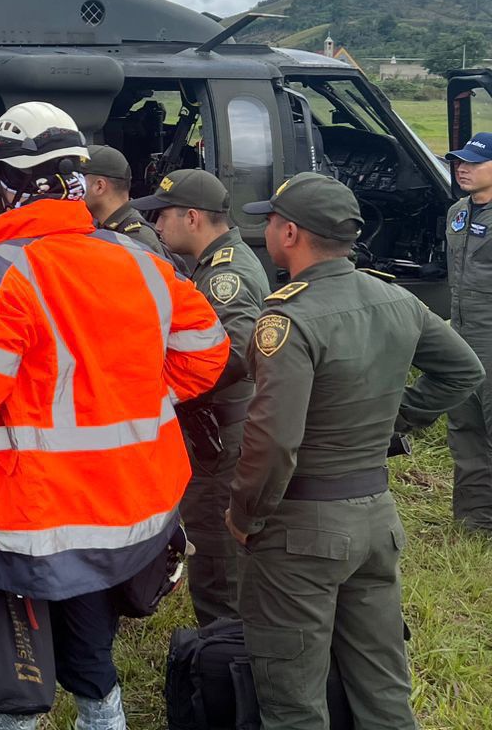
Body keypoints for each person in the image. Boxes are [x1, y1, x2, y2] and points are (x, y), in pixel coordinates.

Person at [0, 102, 228, 730]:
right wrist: (140, 401)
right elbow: (207, 354)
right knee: (93, 656)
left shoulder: (2, 271)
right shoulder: (145, 263)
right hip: (130, 506)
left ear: (7, 181)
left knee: (12, 674)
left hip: (37, 511)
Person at [227, 172, 484, 729]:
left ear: (289, 232)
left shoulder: (286, 317)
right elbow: (463, 370)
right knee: (383, 687)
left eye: (271, 220)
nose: (268, 228)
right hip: (375, 516)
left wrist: (245, 516)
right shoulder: (394, 297)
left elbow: (273, 441)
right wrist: (397, 419)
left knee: (293, 698)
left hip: (300, 529)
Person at [130, 168, 268, 623]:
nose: (156, 226)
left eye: (163, 215)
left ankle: (225, 656)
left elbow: (237, 351)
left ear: (192, 218)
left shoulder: (225, 275)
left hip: (221, 433)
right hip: (220, 427)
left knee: (214, 554)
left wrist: (167, 389)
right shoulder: (216, 263)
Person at [443, 129, 492, 533]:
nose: (463, 168)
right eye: (460, 161)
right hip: (462, 338)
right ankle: (474, 522)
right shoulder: (457, 211)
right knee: (465, 430)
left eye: (474, 163)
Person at [81, 144, 167, 257]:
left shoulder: (137, 239)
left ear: (99, 186)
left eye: (79, 180)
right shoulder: (105, 226)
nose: (71, 188)